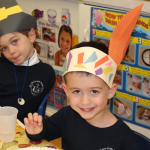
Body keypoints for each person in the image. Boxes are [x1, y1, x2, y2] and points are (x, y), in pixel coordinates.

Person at [24, 4, 143, 150]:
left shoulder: (123, 136)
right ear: (66, 90)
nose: (85, 101)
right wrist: (36, 132)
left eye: (94, 91)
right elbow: (45, 133)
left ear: (111, 91)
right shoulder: (66, 116)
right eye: (76, 91)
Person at [0, 0, 55, 123]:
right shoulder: (2, 67)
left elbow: (39, 111)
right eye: (4, 48)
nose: (11, 51)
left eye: (14, 41)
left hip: (28, 132)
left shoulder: (46, 73)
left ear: (31, 36)